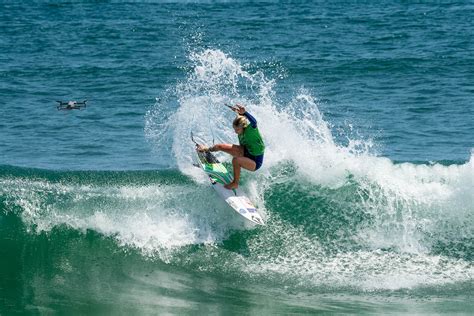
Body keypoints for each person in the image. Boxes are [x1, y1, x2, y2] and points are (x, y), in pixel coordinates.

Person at [197, 104, 265, 190]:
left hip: (255, 162)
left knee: (236, 160)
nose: (235, 132)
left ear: (244, 127)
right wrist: (238, 112)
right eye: (234, 129)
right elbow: (240, 119)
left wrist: (245, 113)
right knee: (219, 146)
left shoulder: (251, 130)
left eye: (237, 130)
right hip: (245, 151)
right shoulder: (241, 126)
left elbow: (254, 122)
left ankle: (235, 183)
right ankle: (206, 149)